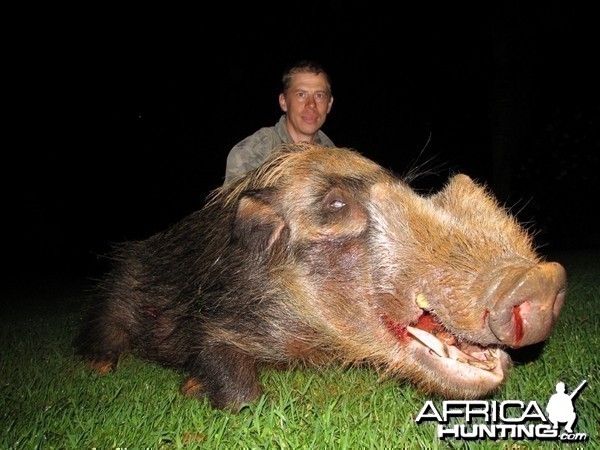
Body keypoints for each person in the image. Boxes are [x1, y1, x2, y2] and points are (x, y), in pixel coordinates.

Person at [224, 60, 335, 184]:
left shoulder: (337, 160)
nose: (311, 105)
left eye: (319, 95)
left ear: (329, 104)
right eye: (301, 95)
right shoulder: (254, 151)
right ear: (283, 102)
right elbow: (235, 202)